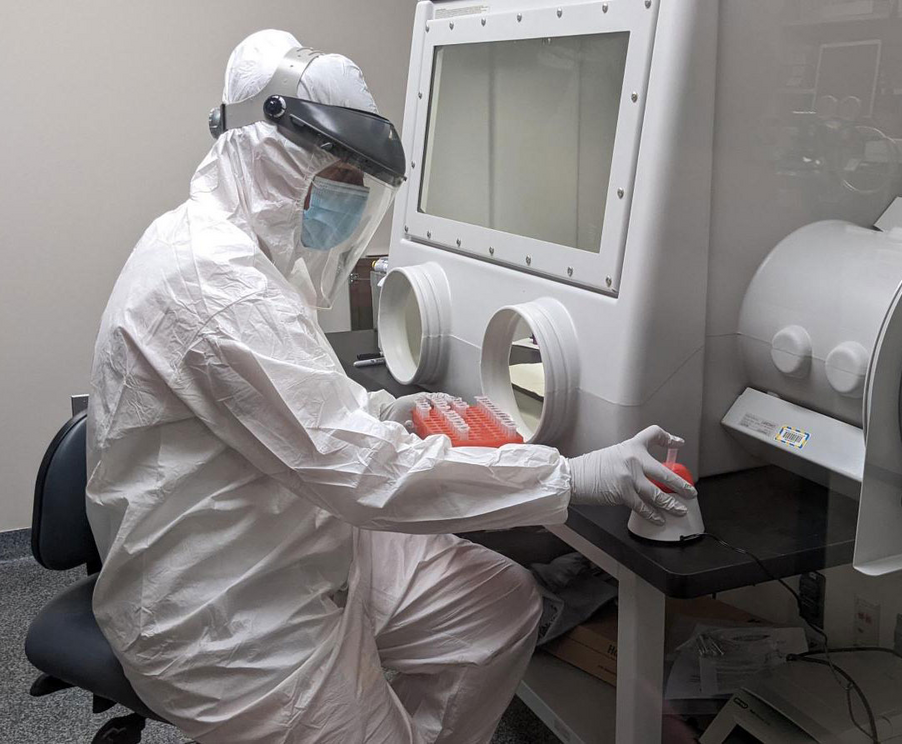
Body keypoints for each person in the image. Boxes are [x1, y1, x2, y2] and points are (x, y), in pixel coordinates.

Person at [86, 29, 696, 744]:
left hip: (291, 536)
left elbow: (297, 405)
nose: (347, 198)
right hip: (225, 615)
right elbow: (359, 475)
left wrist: (381, 408)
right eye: (338, 175)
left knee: (497, 607)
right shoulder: (215, 285)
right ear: (273, 156)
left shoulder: (251, 255)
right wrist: (572, 475)